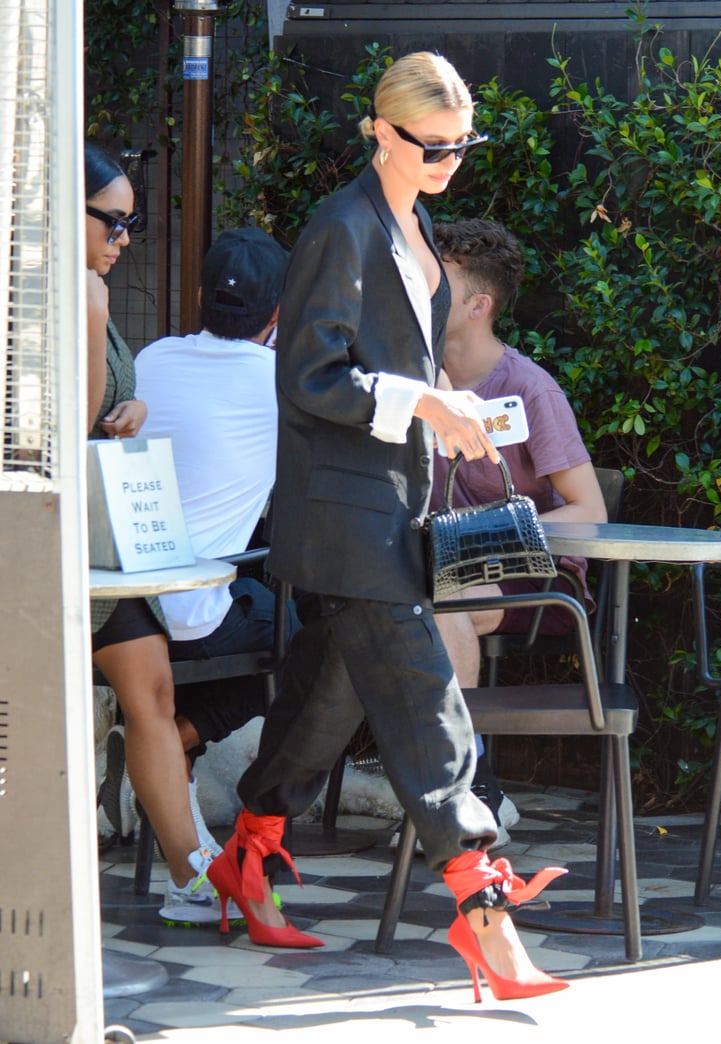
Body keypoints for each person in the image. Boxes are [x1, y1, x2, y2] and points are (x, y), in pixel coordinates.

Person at [205, 52, 570, 997]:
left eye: (462, 146)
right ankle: (486, 913)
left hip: (393, 505)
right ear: (381, 129)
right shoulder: (342, 225)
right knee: (423, 699)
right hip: (347, 513)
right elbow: (311, 376)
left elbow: (400, 361)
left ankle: (249, 853)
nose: (450, 160)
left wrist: (453, 406)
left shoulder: (414, 221)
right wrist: (418, 405)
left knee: (328, 698)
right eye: (432, 145)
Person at [133, 228, 300, 923]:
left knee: (261, 606)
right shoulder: (282, 382)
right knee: (300, 649)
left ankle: (164, 751)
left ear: (200, 297)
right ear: (279, 313)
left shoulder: (149, 358)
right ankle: (173, 743)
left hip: (124, 602)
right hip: (198, 610)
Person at [429, 217, 608, 844]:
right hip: (431, 564)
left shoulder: (529, 388)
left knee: (445, 599)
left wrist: (480, 537)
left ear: (478, 305)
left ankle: (469, 777)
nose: (421, 285)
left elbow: (589, 509)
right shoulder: (411, 381)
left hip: (537, 580)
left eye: (438, 279)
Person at [85, 142, 218, 923]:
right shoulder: (61, 300)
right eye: (113, 221)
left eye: (131, 223)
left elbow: (97, 418)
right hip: (52, 539)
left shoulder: (89, 294)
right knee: (144, 694)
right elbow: (59, 430)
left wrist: (127, 414)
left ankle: (192, 875)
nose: (125, 238)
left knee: (154, 694)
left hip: (100, 541)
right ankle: (191, 873)